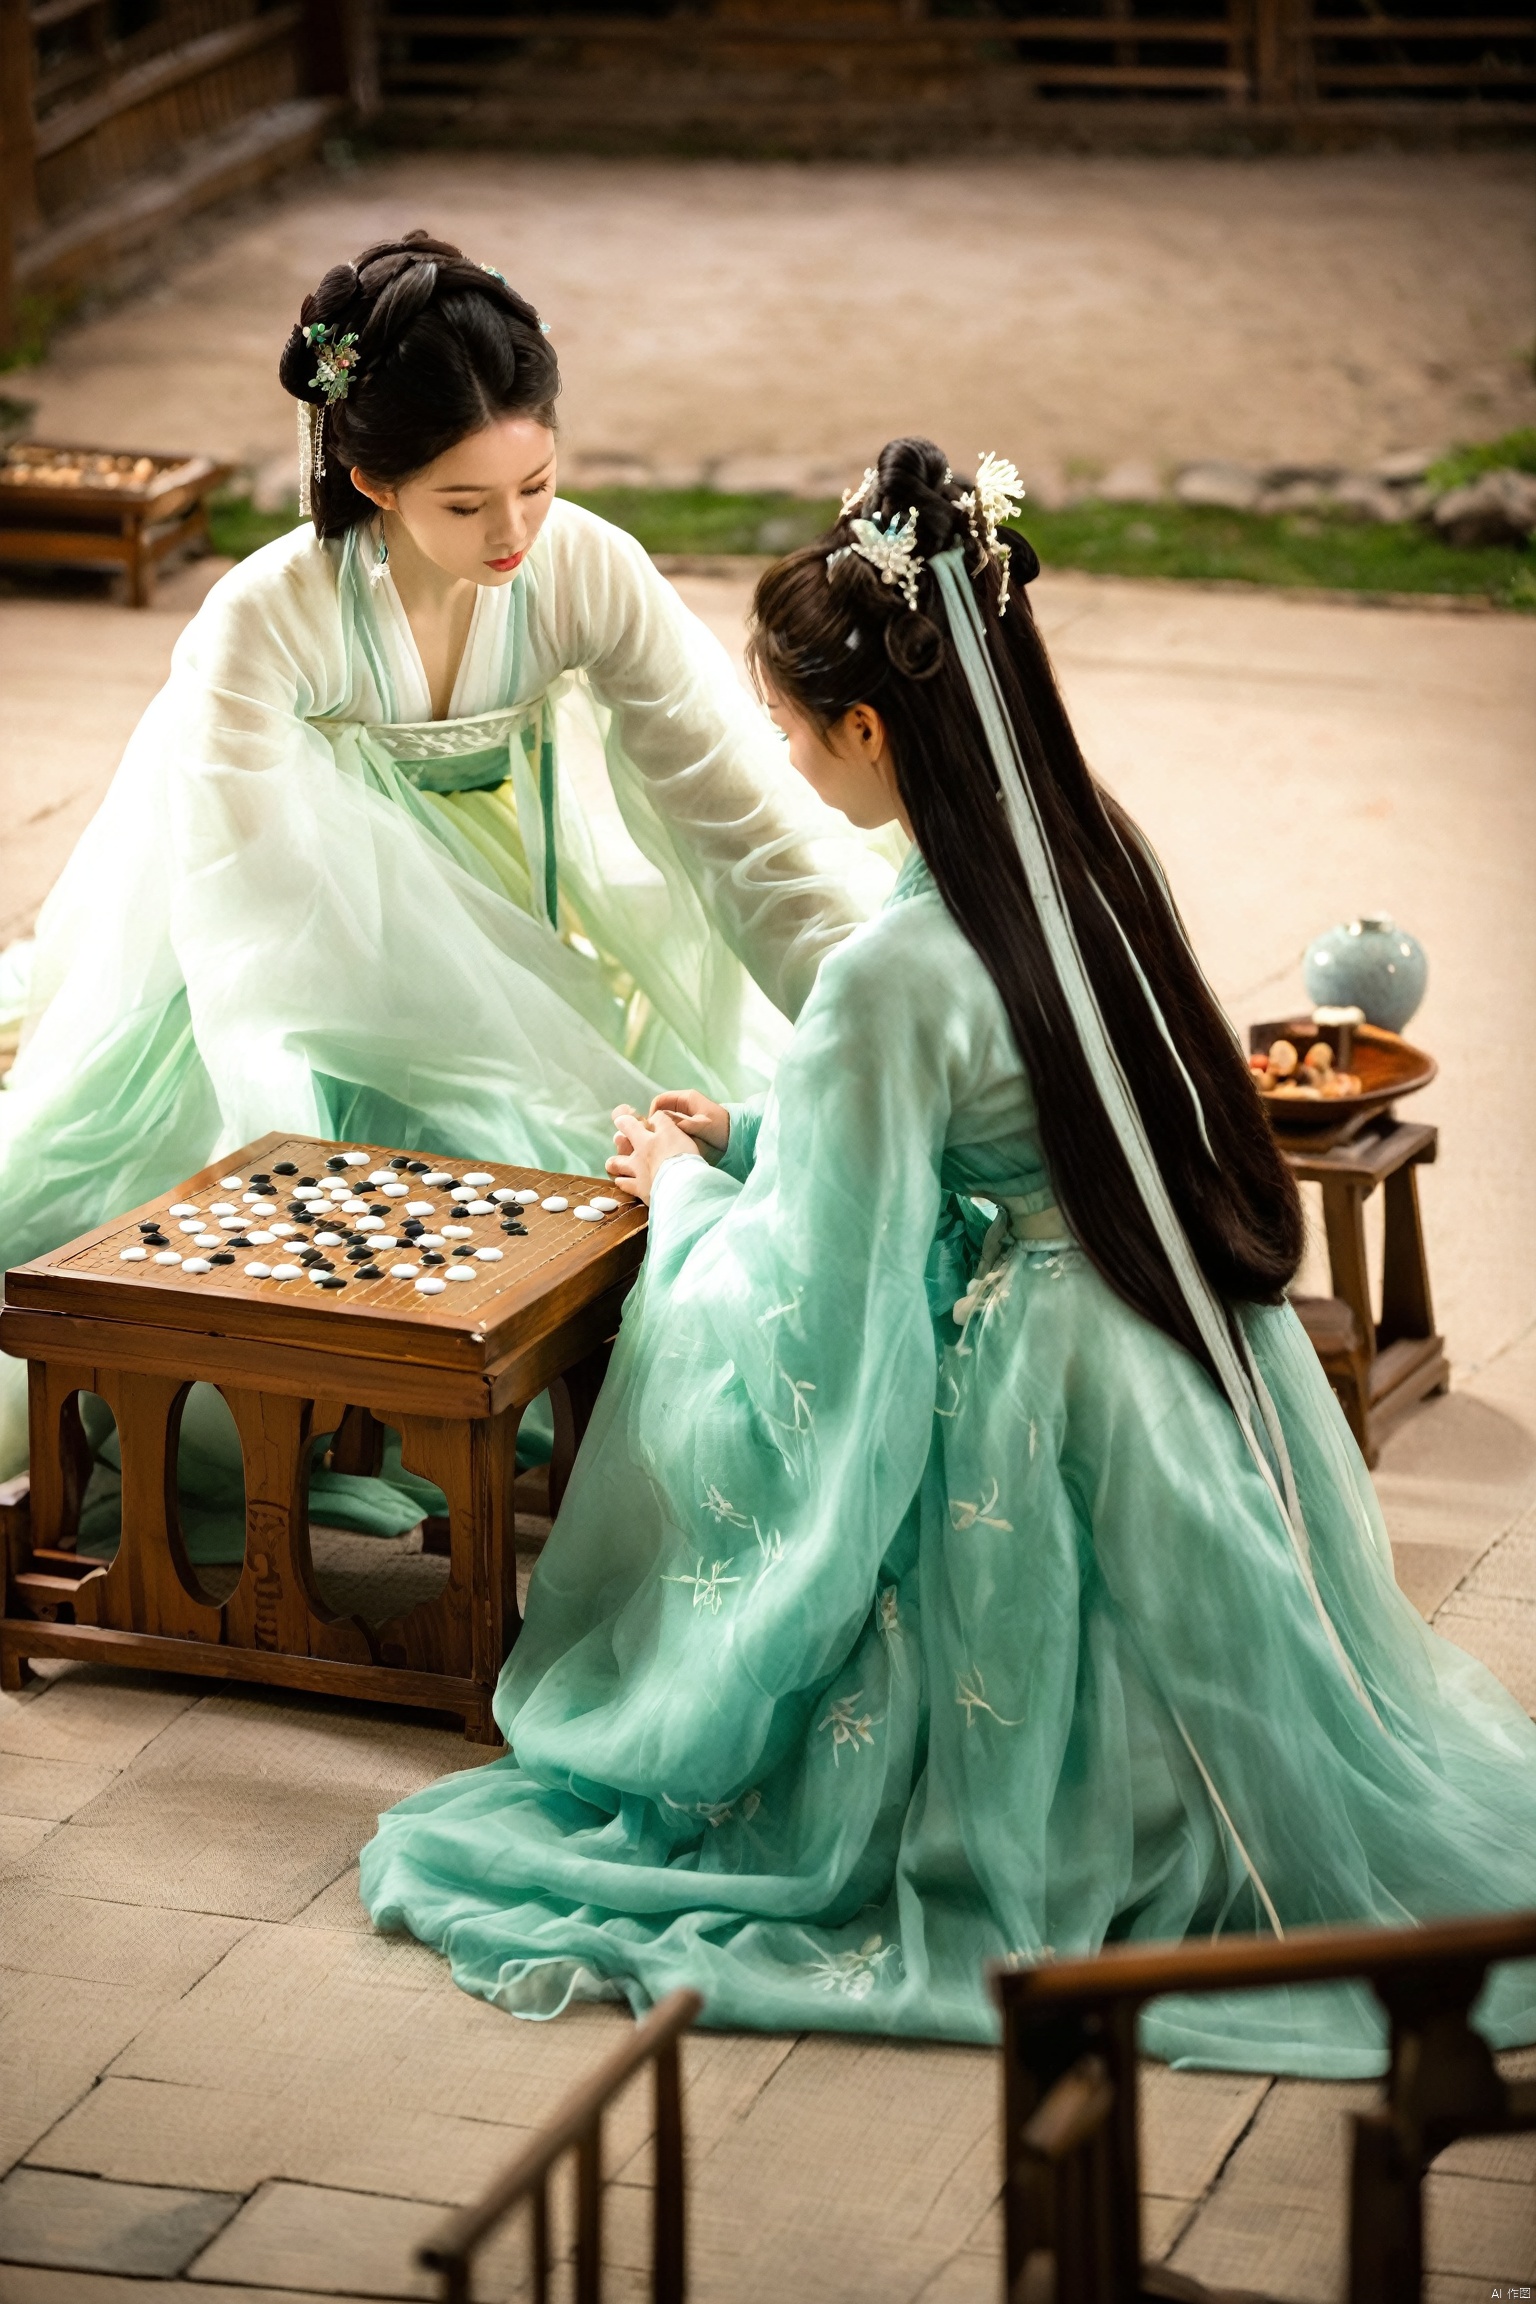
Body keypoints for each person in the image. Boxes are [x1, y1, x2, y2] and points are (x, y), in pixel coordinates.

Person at [360, 437, 1536, 2074]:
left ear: (866, 727)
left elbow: (820, 1301)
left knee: (900, 1667)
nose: (783, 755)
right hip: (1186, 1339)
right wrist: (762, 1135)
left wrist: (685, 1193)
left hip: (1046, 1375)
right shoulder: (1084, 857)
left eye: (787, 726)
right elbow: (1012, 1121)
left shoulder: (894, 971)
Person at [0, 231, 869, 1528]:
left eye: (538, 482)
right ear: (369, 481)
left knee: (633, 1163)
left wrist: (874, 999)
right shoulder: (268, 618)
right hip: (290, 968)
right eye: (466, 505)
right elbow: (251, 931)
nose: (515, 531)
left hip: (512, 954)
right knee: (154, 1217)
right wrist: (295, 1181)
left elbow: (735, 827)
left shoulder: (586, 569)